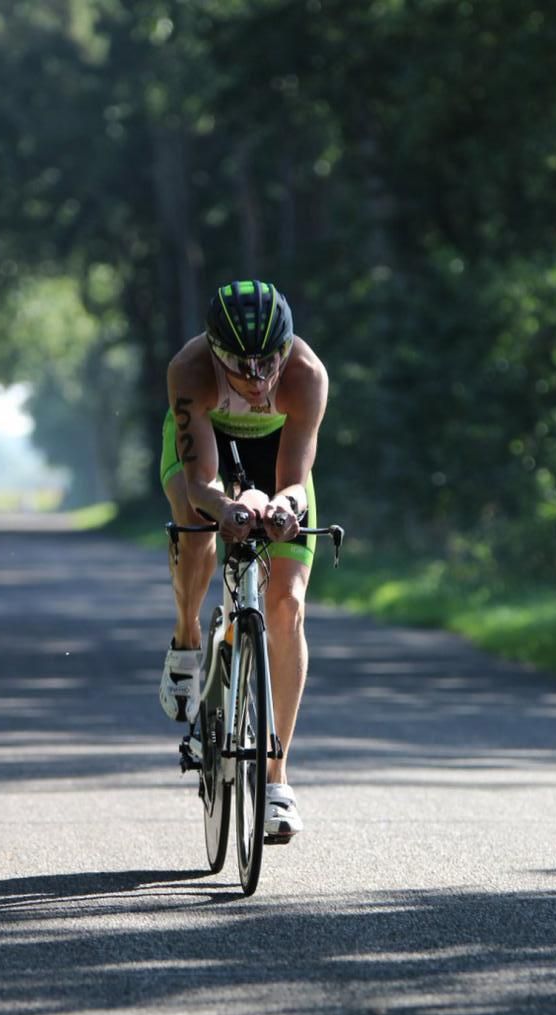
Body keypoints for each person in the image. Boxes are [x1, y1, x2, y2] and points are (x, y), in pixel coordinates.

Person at [159, 280, 328, 840]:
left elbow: (297, 481)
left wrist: (281, 504)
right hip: (207, 454)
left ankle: (277, 779)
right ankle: (186, 639)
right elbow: (201, 481)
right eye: (240, 365)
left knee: (287, 604)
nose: (257, 380)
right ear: (214, 351)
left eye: (267, 364)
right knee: (197, 532)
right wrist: (226, 505)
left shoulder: (306, 375)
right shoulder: (190, 369)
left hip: (275, 452)